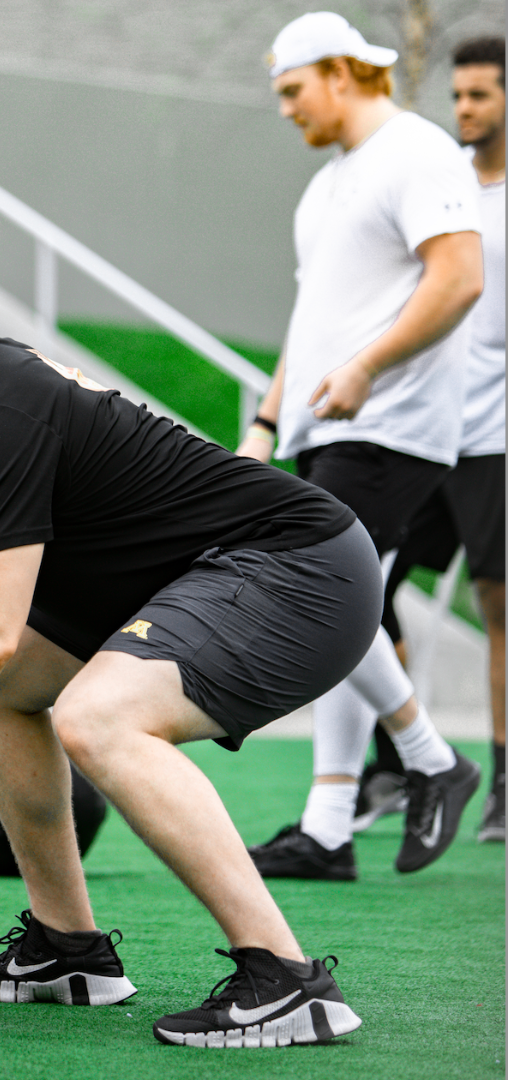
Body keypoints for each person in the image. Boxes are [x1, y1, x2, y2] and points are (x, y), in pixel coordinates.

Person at [0, 194, 386, 1048]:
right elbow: (7, 599)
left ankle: (286, 979)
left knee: (98, 713)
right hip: (240, 564)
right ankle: (67, 951)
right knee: (6, 690)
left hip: (297, 567)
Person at [236, 12, 485, 880]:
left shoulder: (417, 150)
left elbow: (461, 276)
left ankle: (429, 760)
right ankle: (331, 824)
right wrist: (268, 422)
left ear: (341, 74)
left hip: (390, 424)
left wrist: (368, 367)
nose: (284, 110)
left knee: (325, 596)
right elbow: (312, 324)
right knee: (347, 606)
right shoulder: (325, 188)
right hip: (328, 426)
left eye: (292, 91)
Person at [358, 36, 506, 844]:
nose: (465, 111)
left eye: (481, 96)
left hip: (498, 441)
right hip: (427, 432)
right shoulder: (442, 185)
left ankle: (504, 783)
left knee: (498, 606)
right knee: (362, 586)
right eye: (459, 97)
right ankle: (400, 758)